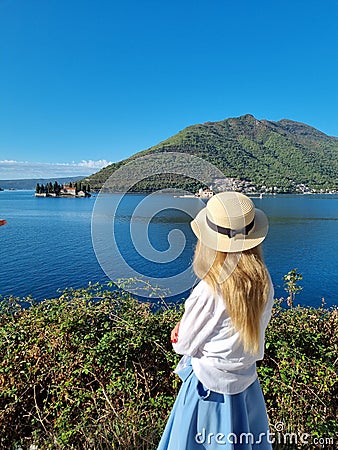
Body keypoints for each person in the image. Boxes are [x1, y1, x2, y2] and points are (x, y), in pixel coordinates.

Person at [157, 192, 274, 450]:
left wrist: (179, 330)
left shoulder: (210, 288)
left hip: (207, 391)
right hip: (246, 389)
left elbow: (184, 344)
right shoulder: (264, 283)